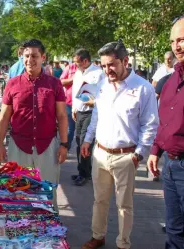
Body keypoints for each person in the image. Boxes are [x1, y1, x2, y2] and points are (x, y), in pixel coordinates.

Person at [80, 41, 158, 249]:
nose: (107, 70)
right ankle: (98, 236)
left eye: (112, 65)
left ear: (125, 61)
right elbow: (96, 115)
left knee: (124, 205)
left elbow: (150, 125)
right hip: (101, 153)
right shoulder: (103, 86)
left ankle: (123, 243)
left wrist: (139, 154)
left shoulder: (143, 88)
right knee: (100, 200)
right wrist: (88, 140)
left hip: (126, 156)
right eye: (104, 66)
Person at [0, 39, 68, 211]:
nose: (30, 60)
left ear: (43, 57)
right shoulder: (13, 84)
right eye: (26, 56)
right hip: (19, 145)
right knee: (17, 193)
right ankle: (19, 230)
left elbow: (61, 115)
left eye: (34, 56)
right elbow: (5, 116)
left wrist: (64, 144)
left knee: (47, 193)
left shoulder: (54, 83)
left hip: (47, 145)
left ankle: (51, 232)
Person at [147, 17, 184, 248]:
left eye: (182, 39)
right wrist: (155, 150)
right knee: (174, 229)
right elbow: (164, 121)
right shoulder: (170, 80)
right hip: (171, 166)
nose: (176, 46)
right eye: (173, 41)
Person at [71, 49, 104, 186]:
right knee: (78, 140)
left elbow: (103, 93)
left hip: (91, 111)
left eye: (77, 62)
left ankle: (84, 173)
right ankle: (84, 170)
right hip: (79, 111)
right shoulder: (78, 72)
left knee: (85, 141)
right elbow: (75, 91)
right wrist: (74, 107)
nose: (75, 65)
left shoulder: (99, 73)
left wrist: (94, 102)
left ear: (85, 61)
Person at [60, 63, 78, 149]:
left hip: (85, 105)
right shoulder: (70, 68)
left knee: (83, 131)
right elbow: (61, 82)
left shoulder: (91, 70)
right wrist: (73, 79)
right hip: (69, 103)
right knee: (70, 128)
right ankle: (66, 148)